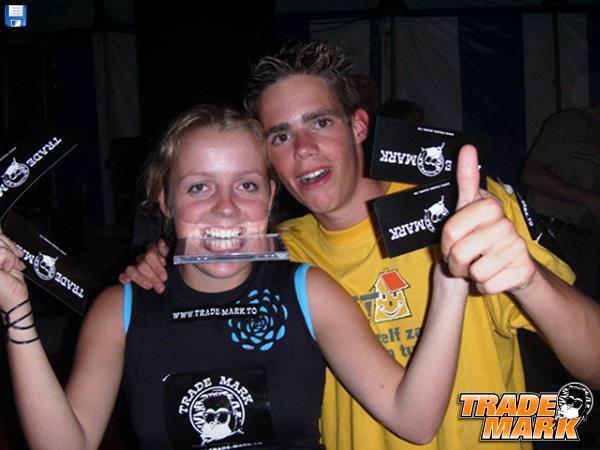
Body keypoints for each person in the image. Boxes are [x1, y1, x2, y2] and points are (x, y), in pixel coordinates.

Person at [121, 42, 600, 450]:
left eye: (320, 123)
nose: (303, 148)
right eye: (280, 136)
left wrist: (529, 279)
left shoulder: (460, 210)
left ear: (358, 127)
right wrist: (158, 267)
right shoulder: (277, 253)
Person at [0, 104, 473, 450]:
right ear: (166, 200)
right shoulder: (120, 310)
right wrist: (17, 312)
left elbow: (413, 420)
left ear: (269, 196)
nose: (225, 207)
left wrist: (450, 281)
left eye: (246, 185)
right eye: (199, 187)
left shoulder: (309, 292)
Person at [521, 90, 600, 300]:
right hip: (551, 232)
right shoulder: (573, 121)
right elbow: (531, 174)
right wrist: (589, 200)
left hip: (587, 242)